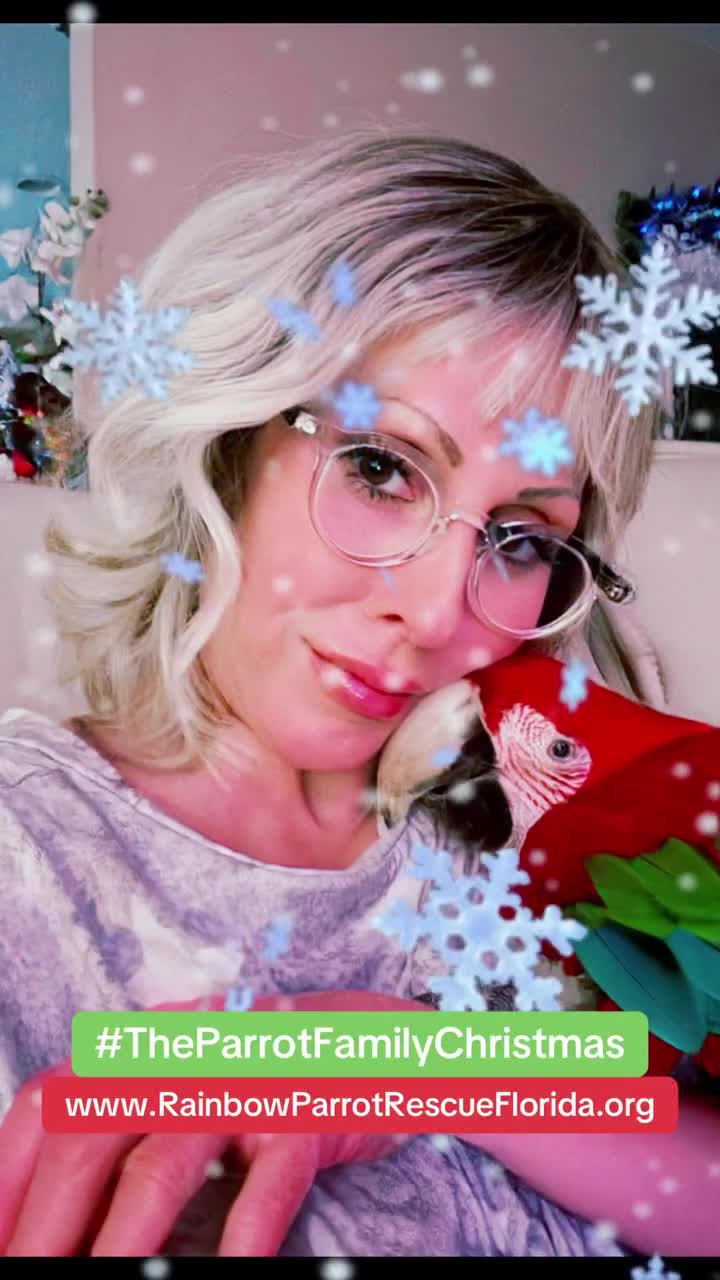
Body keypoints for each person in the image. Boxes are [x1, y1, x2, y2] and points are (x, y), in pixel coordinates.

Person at [0, 126, 715, 1258]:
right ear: (227, 444)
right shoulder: (28, 854)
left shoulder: (516, 827)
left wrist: (401, 1054)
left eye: (522, 537)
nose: (435, 614)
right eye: (382, 466)